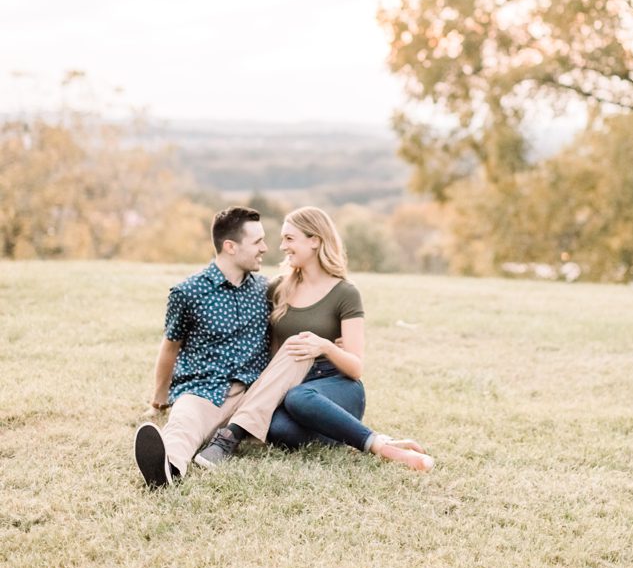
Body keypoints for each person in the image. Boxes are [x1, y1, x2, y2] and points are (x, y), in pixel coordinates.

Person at [193, 205, 434, 473]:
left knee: (299, 397)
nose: (282, 246)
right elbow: (273, 353)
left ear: (315, 241)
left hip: (336, 385)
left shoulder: (345, 293)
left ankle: (380, 446)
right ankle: (347, 435)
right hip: (290, 382)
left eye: (289, 238)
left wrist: (326, 346)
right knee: (277, 430)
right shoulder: (278, 288)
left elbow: (356, 367)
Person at [134, 206, 311, 487]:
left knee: (299, 348)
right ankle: (166, 469)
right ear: (230, 246)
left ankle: (230, 435)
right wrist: (159, 399)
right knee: (184, 424)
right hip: (205, 390)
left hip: (257, 392)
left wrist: (330, 339)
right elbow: (170, 346)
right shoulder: (188, 292)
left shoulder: (267, 289)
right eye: (257, 242)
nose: (265, 248)